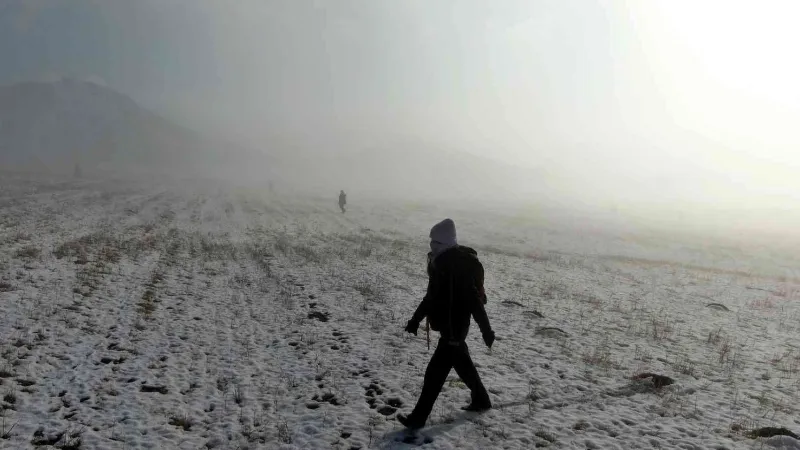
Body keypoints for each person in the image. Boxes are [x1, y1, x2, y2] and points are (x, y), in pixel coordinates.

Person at [398, 218, 495, 430]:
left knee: (434, 374)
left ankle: (418, 418)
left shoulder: (457, 268)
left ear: (446, 243)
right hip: (450, 330)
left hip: (454, 331)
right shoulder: (440, 265)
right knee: (463, 365)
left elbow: (475, 303)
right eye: (431, 241)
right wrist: (415, 320)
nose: (432, 246)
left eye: (436, 242)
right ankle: (481, 400)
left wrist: (486, 330)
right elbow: (430, 298)